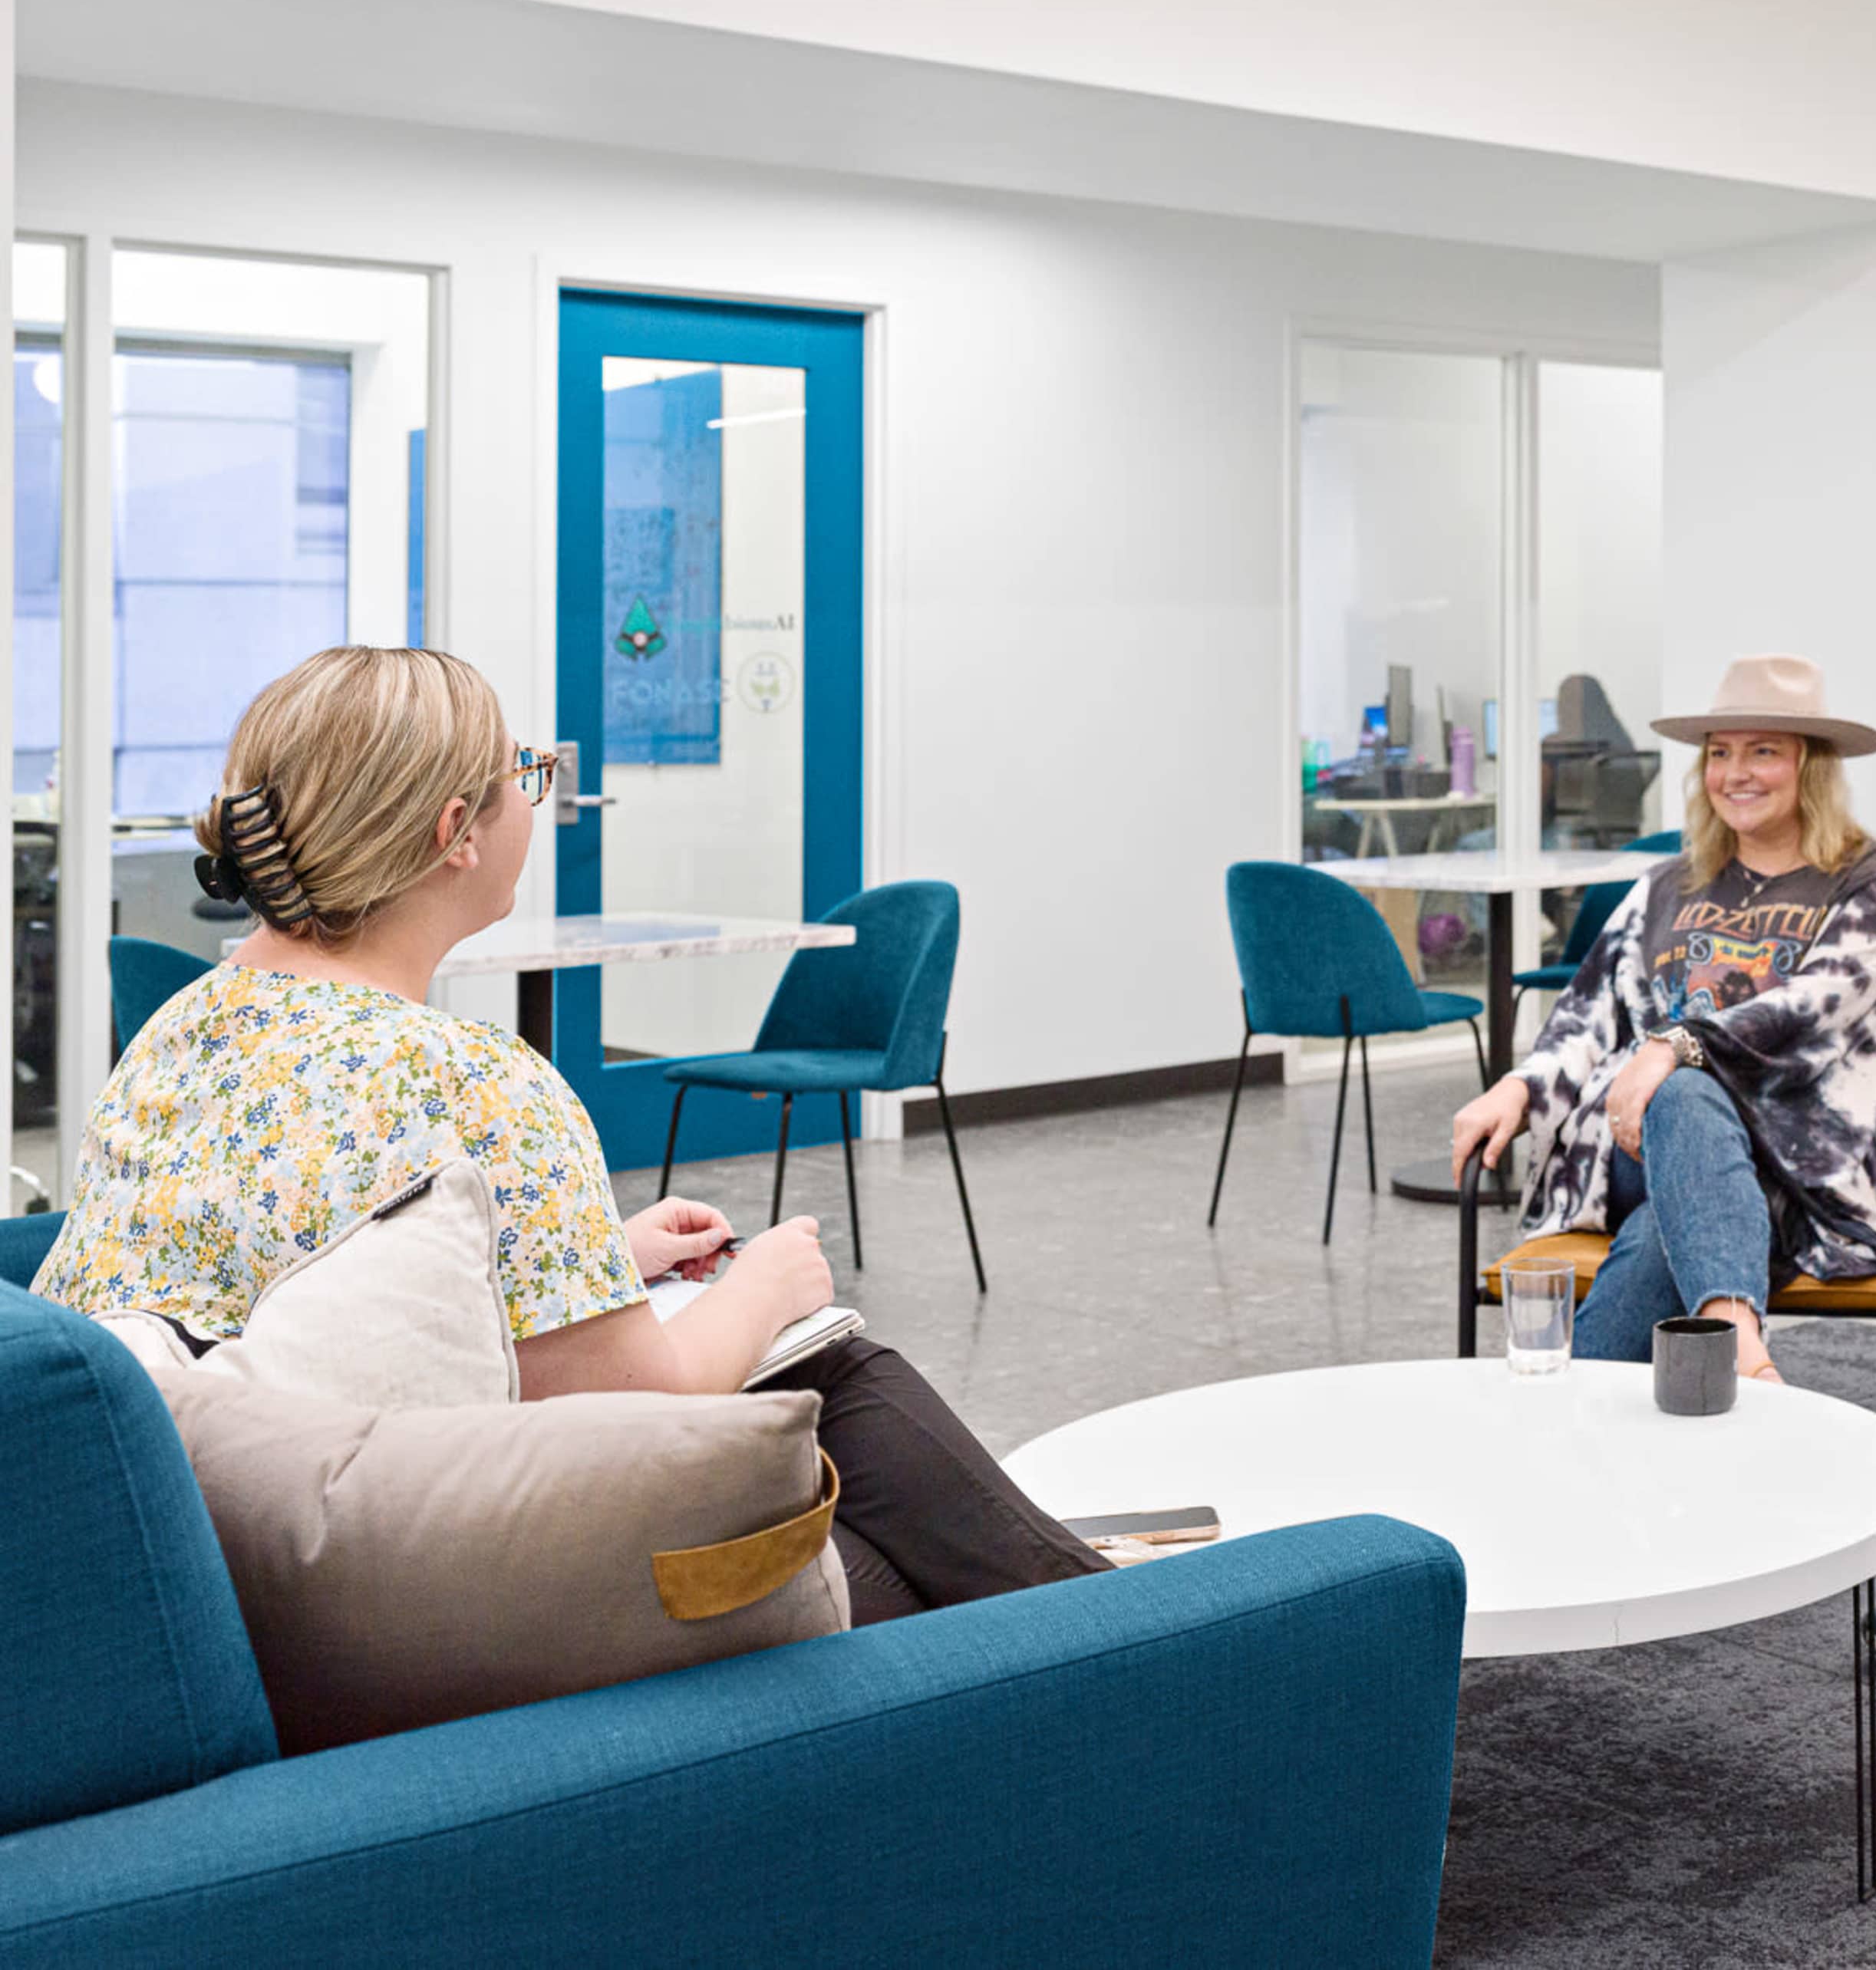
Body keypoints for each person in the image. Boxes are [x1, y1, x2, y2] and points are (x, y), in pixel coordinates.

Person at [32, 646, 1103, 1622]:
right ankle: (1133, 1634)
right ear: (456, 833)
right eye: (522, 778)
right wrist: (770, 1281)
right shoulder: (477, 1082)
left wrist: (590, 1256)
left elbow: (286, 1258)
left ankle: (1101, 1619)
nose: (533, 803)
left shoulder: (179, 1028)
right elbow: (641, 1411)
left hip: (176, 1555)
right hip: (368, 1610)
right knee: (844, 1391)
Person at [1449, 654, 1876, 1381]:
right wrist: (1517, 1087)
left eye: (1763, 751)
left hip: (1792, 1165)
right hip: (1635, 1145)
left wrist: (1672, 1048)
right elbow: (1585, 1016)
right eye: (1720, 753)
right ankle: (1733, 1332)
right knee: (1680, 1106)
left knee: (1664, 1224)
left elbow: (1812, 1007)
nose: (1736, 773)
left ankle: (1575, 1424)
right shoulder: (1666, 885)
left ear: (1811, 767)